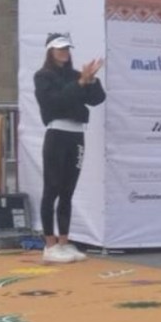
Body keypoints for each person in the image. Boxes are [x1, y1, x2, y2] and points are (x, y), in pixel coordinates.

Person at [33, 33, 105, 264]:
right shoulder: (43, 76)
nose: (64, 52)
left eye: (67, 48)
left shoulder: (77, 75)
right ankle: (49, 244)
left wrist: (91, 80)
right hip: (56, 133)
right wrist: (80, 83)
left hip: (76, 135)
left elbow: (96, 99)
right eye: (59, 48)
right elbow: (55, 102)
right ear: (50, 51)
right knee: (51, 188)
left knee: (68, 190)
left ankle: (64, 242)